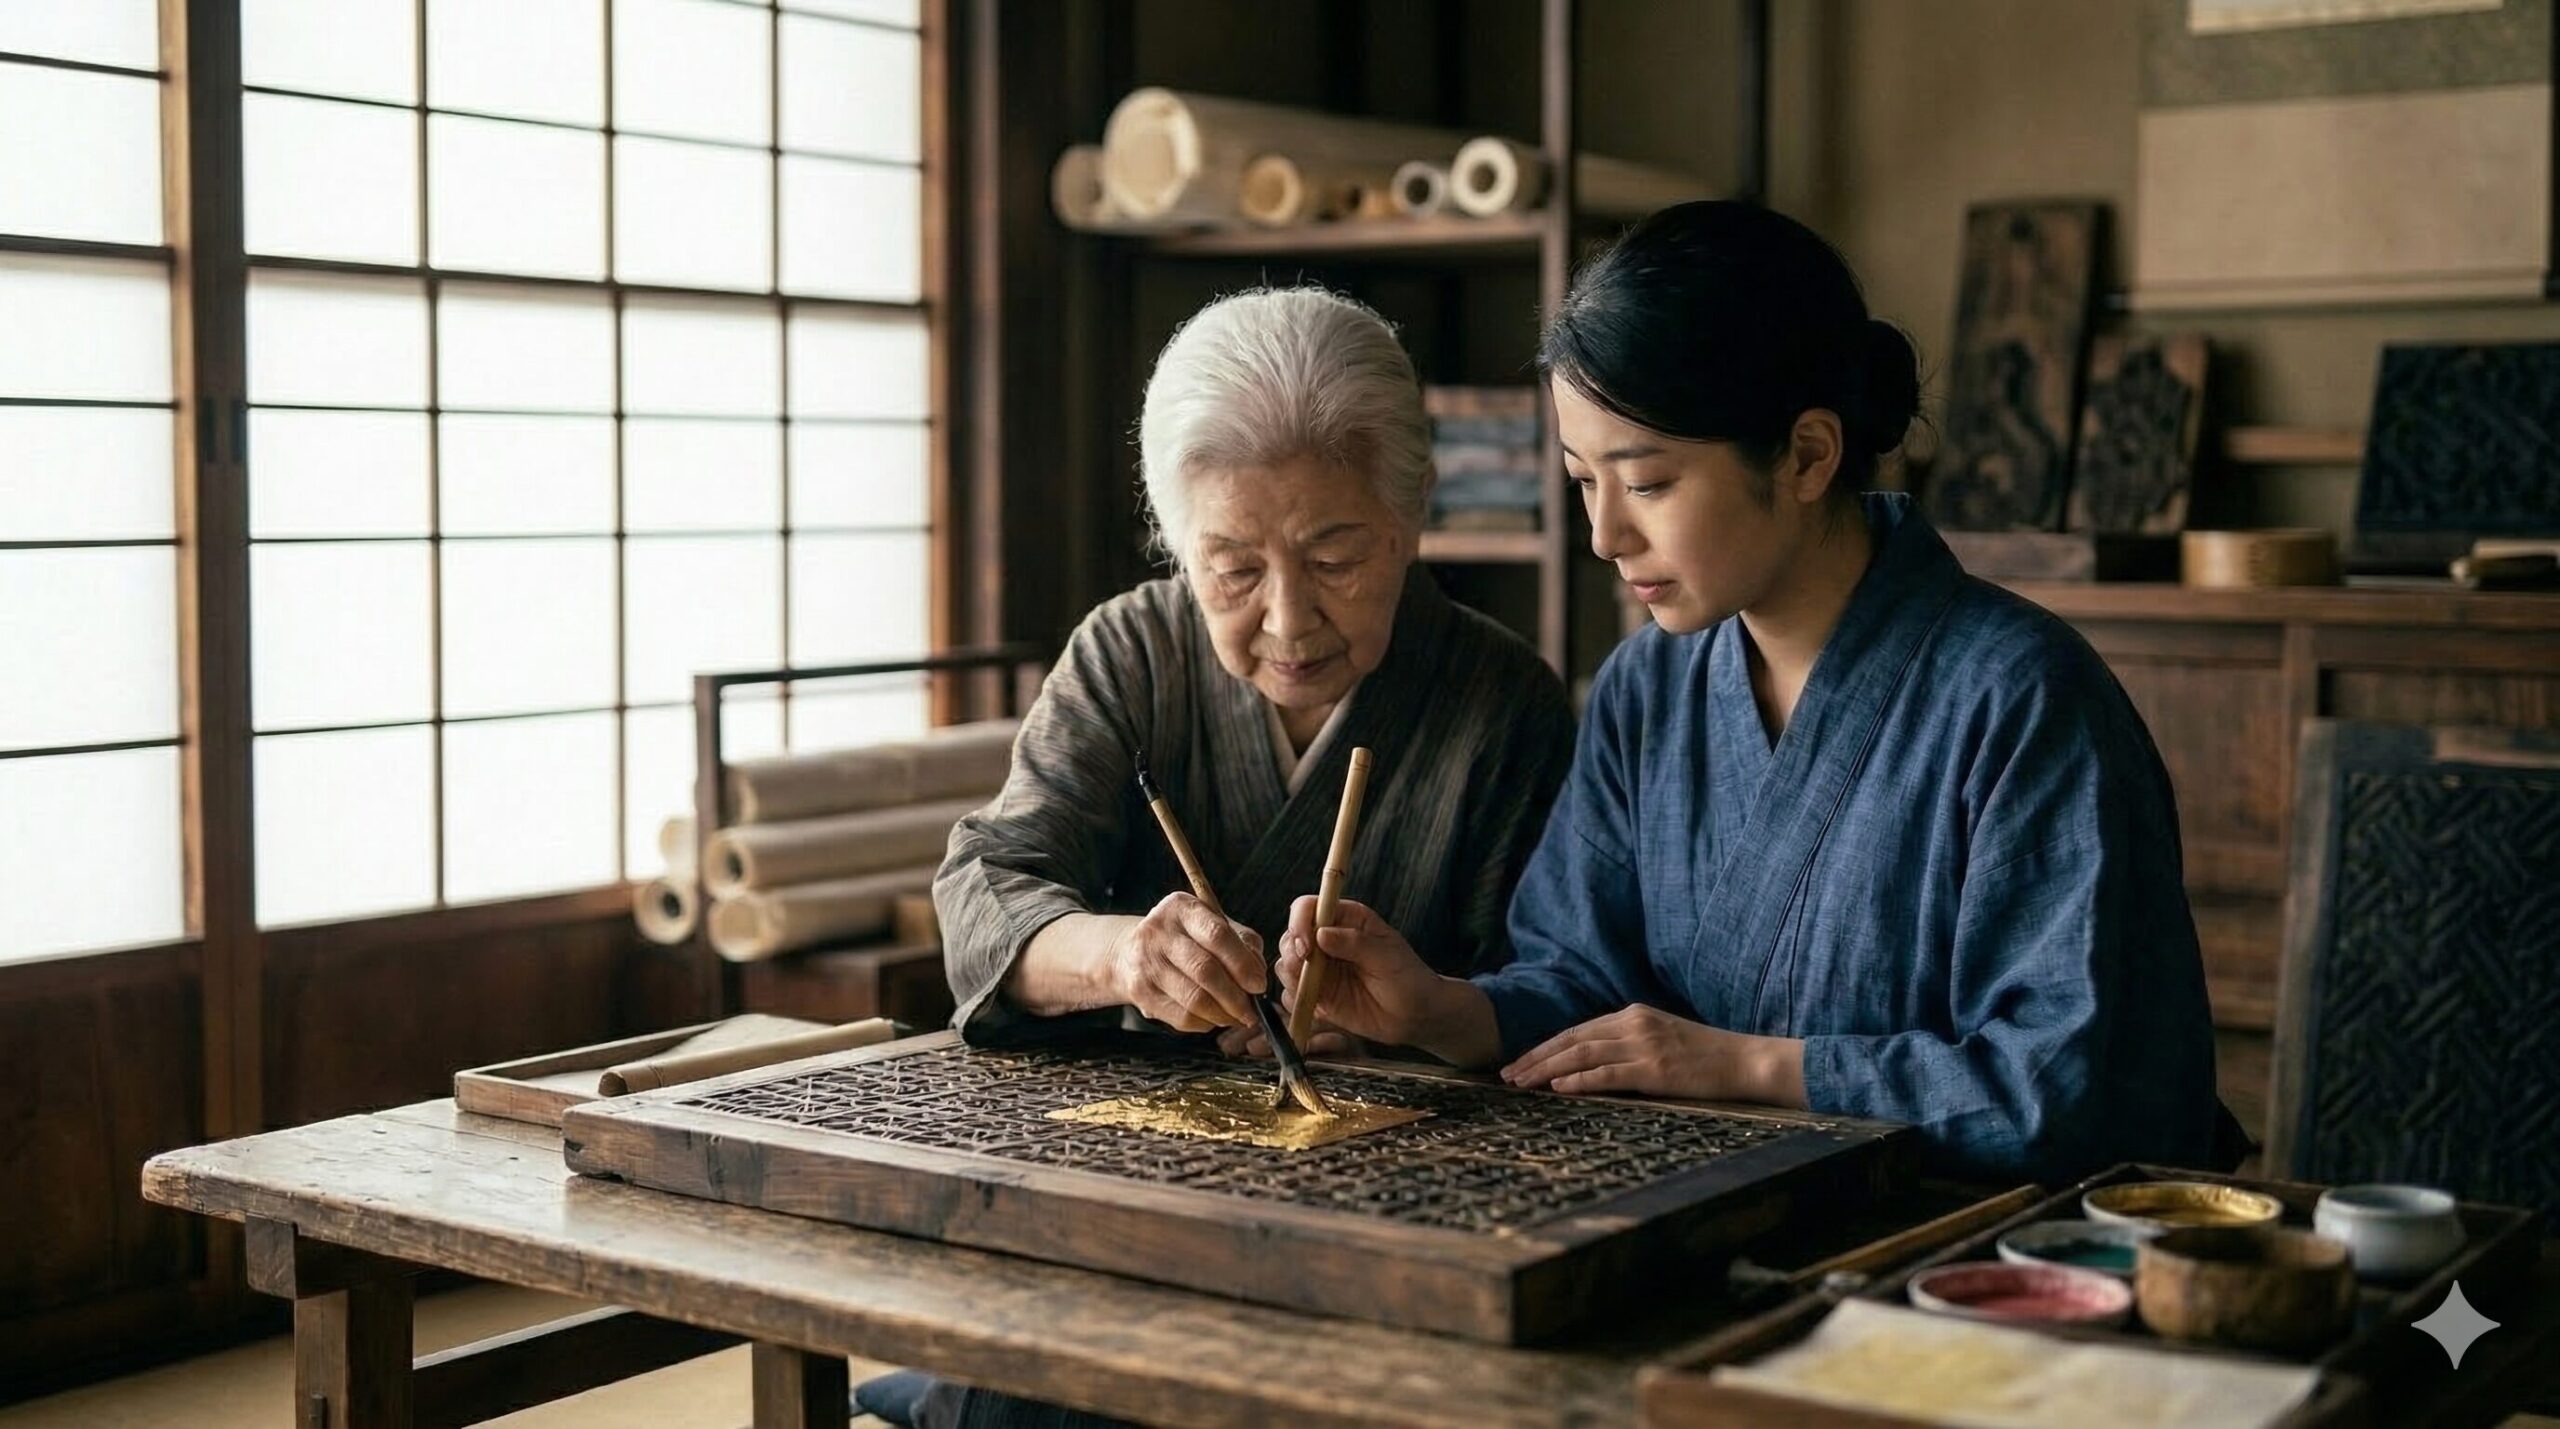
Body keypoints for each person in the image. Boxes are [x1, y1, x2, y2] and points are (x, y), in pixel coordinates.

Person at [1275, 201, 2234, 1185]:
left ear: (1807, 455)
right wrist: (1439, 1011)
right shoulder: (1646, 689)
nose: (1605, 536)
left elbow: (2067, 1084)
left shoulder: (2022, 700)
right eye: (1579, 480)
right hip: (1704, 1215)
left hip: (1973, 1252)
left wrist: (1753, 1067)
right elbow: (1584, 987)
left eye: (1645, 483)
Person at [860, 287, 1576, 1429]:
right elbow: (985, 889)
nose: (1287, 623)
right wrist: (1122, 958)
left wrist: (1424, 1010)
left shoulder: (1502, 703)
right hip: (1128, 1188)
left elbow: (1553, 990)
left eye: (1335, 557)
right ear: (1176, 545)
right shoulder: (1129, 652)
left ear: (1409, 519)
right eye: (1232, 568)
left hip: (1392, 1204)